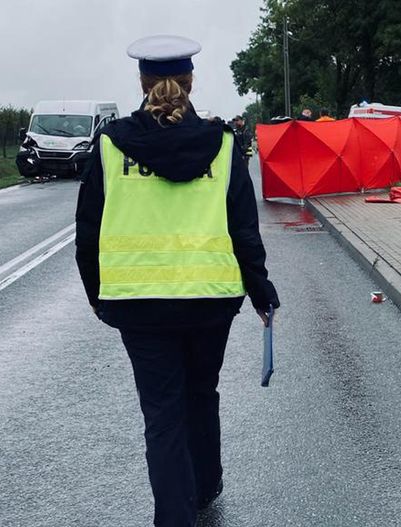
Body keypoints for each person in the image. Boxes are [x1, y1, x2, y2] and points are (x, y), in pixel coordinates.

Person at [74, 35, 280, 527]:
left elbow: (87, 232)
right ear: (191, 84)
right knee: (201, 393)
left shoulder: (109, 144)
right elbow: (243, 230)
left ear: (142, 84)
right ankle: (206, 486)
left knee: (163, 412)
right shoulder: (224, 144)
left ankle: (175, 514)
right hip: (210, 300)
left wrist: (98, 296)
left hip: (139, 304)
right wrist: (261, 292)